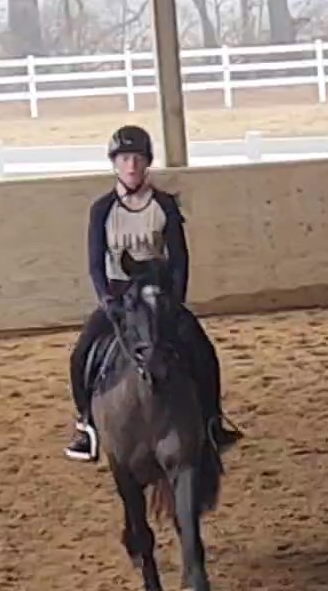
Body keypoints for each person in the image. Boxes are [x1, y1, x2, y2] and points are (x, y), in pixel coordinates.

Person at [64, 123, 240, 463]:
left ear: (147, 163)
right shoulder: (102, 209)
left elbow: (179, 259)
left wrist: (174, 300)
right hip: (121, 295)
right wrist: (106, 300)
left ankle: (212, 420)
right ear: (115, 164)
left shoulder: (164, 205)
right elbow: (95, 263)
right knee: (81, 354)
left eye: (137, 159)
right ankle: (86, 424)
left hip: (159, 295)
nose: (131, 166)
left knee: (202, 350)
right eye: (124, 159)